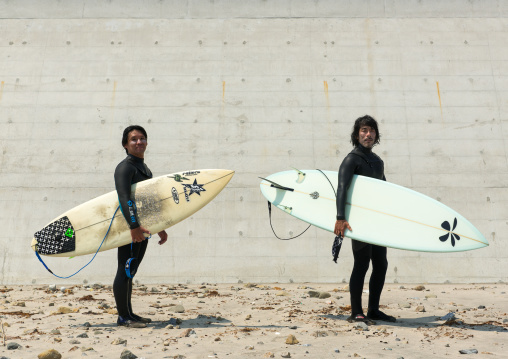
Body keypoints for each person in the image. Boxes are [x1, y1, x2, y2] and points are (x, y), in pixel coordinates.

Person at [334, 115, 396, 323]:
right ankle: (356, 312)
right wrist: (340, 218)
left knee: (381, 264)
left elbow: (384, 191)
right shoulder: (352, 159)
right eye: (364, 130)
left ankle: (373, 310)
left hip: (376, 220)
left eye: (371, 131)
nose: (368, 134)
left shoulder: (378, 161)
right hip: (358, 220)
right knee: (361, 263)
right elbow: (341, 188)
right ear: (356, 134)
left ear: (376, 135)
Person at [113, 125, 168, 328]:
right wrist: (133, 226)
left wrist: (159, 227)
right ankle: (123, 317)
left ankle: (129, 314)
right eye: (134, 139)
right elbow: (124, 198)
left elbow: (148, 201)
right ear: (125, 145)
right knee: (124, 269)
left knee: (132, 270)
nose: (139, 142)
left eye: (142, 138)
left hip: (142, 229)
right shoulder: (125, 167)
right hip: (131, 228)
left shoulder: (144, 169)